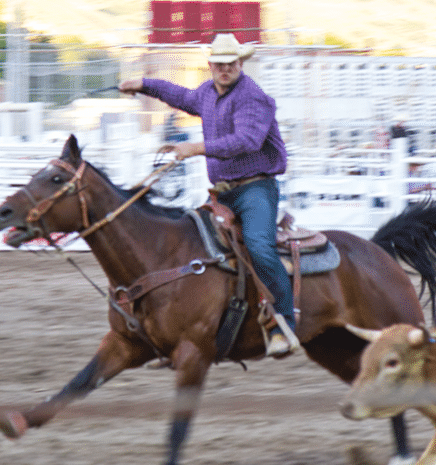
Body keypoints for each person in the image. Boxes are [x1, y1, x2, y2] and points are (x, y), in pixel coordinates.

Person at [118, 33, 301, 358]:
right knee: (191, 247)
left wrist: (194, 149)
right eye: (219, 63)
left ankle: (284, 323)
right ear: (211, 65)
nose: (225, 68)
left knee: (259, 246)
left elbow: (246, 141)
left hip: (255, 189)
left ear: (240, 64)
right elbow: (180, 95)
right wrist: (143, 83)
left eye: (231, 63)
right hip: (223, 193)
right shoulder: (206, 93)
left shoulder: (252, 97)